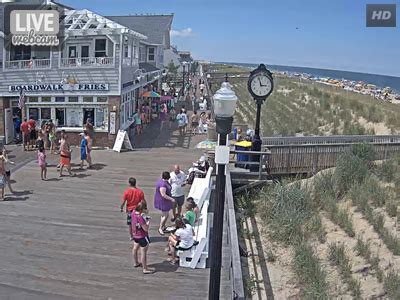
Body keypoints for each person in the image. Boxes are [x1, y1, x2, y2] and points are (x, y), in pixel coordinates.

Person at [131, 202, 154, 274]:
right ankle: (145, 269)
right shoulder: (140, 217)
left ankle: (136, 262)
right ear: (142, 209)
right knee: (143, 252)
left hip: (135, 234)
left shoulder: (133, 213)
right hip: (142, 236)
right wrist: (148, 222)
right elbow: (145, 229)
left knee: (135, 248)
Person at [154, 171, 175, 235]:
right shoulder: (162, 184)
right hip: (163, 201)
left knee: (165, 215)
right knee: (165, 215)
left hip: (165, 201)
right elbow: (163, 194)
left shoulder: (163, 182)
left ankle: (163, 226)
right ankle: (160, 228)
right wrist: (171, 199)